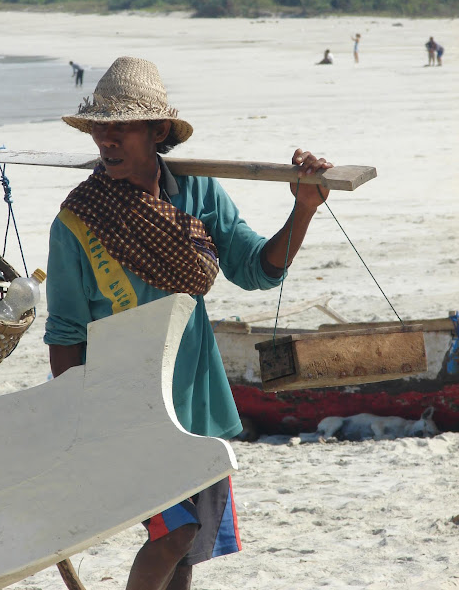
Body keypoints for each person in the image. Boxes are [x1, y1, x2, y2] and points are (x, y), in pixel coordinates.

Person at [44, 56, 333, 590]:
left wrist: (305, 209)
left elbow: (257, 270)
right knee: (172, 535)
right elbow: (64, 334)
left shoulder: (198, 194)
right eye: (99, 130)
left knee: (188, 549)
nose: (106, 141)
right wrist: (79, 420)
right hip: (124, 408)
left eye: (120, 128)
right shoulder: (77, 222)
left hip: (195, 399)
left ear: (157, 131)